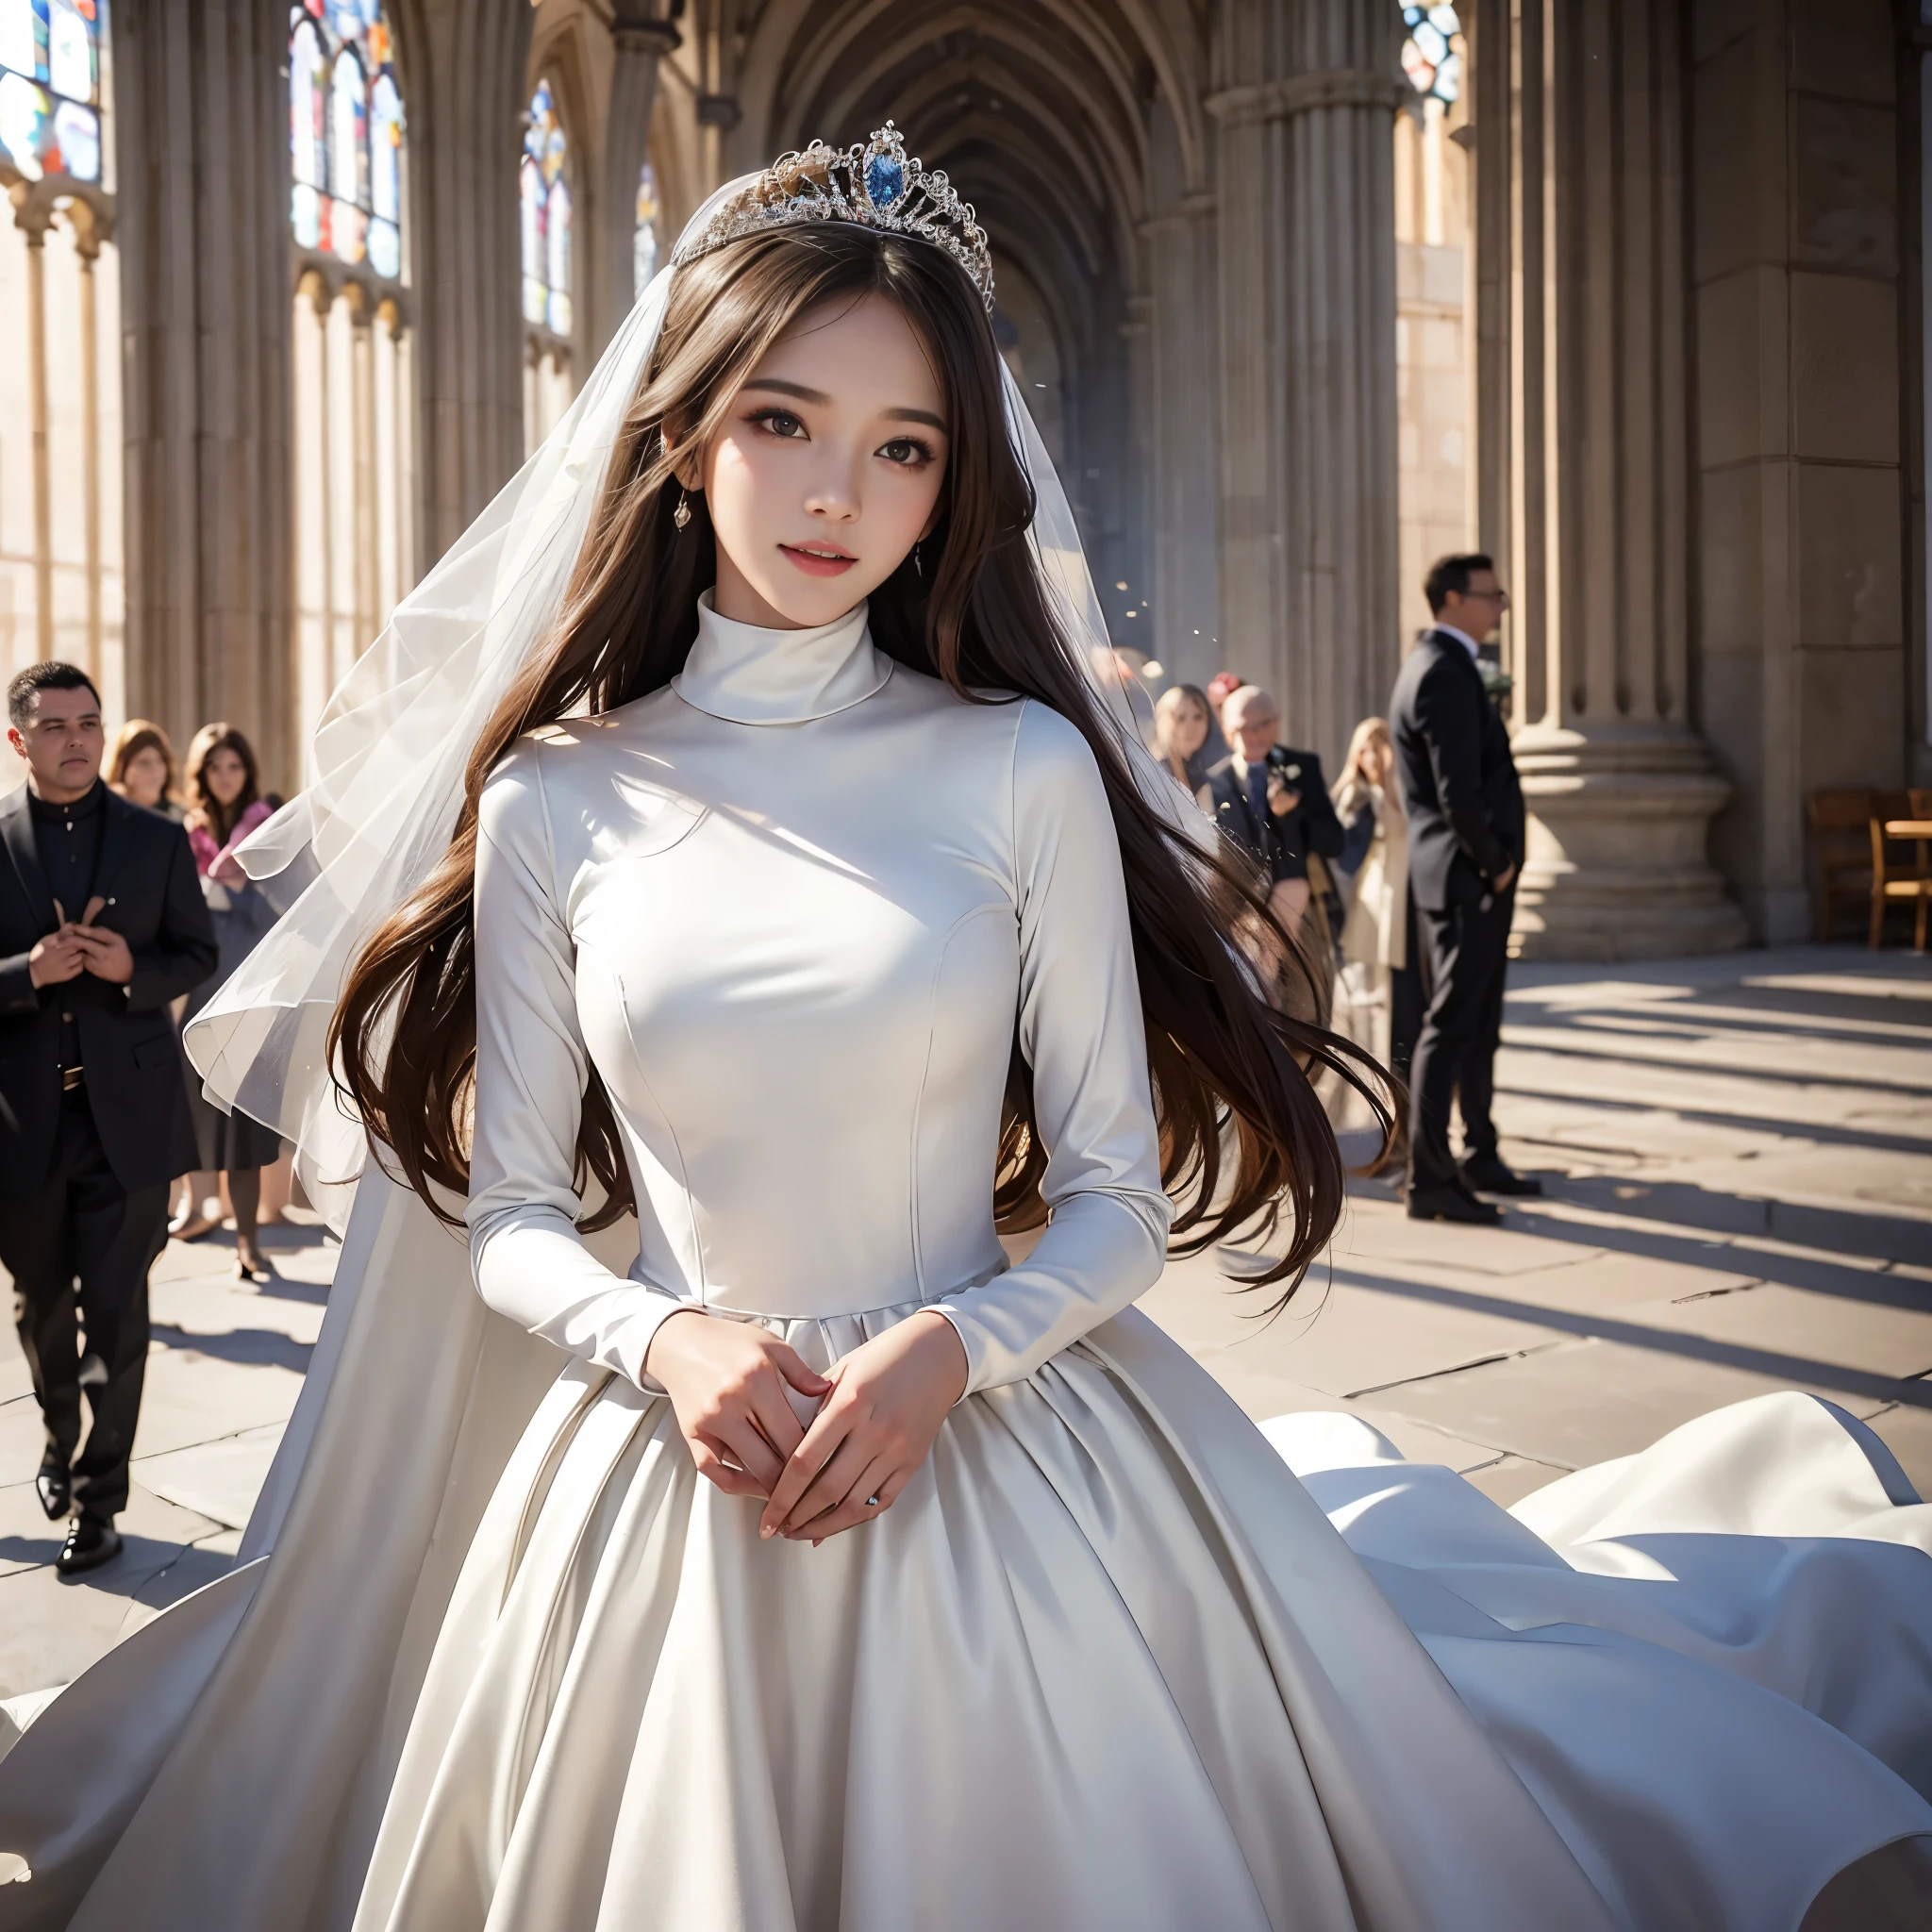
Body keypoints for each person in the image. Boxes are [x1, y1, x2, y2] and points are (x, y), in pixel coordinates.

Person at [4, 133, 1930, 1932]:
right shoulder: (553, 801)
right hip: (660, 1487)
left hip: (1004, 1445)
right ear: (680, 437)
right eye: (784, 422)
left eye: (904, 447)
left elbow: (1110, 1201)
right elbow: (511, 1214)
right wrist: (666, 1335)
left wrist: (951, 1345)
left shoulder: (1017, 765)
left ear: (956, 480)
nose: (840, 494)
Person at [0, 663, 216, 1577]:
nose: (77, 739)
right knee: (42, 1308)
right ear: (19, 740)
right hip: (21, 1126)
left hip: (127, 1122)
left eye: (88, 722)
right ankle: (58, 1433)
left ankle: (101, 1500)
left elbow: (196, 953)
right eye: (54, 726)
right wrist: (27, 975)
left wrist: (133, 966)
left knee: (119, 1315)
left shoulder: (158, 839)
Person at [1389, 553, 1541, 1223]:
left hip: (1460, 876)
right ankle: (1430, 1178)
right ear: (1453, 599)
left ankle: (1478, 1152)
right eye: (1492, 594)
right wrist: (1496, 862)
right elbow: (1457, 792)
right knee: (1450, 1028)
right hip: (1465, 877)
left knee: (1477, 1025)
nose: (1501, 606)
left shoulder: (1445, 668)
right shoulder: (1442, 673)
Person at [172, 724, 282, 1276]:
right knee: (196, 1117)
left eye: (234, 766)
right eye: (215, 767)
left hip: (251, 994)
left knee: (244, 1127)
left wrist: (238, 894)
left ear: (247, 770)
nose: (225, 776)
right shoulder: (184, 835)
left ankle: (248, 1242)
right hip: (201, 995)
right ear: (201, 774)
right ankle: (199, 1210)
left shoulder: (269, 826)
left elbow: (289, 911)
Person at [1199, 683, 1345, 941]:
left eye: (1263, 725)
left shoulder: (1302, 767)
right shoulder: (1214, 782)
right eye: (1245, 728)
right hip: (1241, 920)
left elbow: (1334, 843)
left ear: (1277, 723)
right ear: (1227, 730)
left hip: (1302, 917)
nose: (1255, 735)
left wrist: (1293, 812)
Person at [1331, 717, 1420, 1083]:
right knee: (1373, 987)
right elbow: (1343, 843)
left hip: (1407, 885)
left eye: (1377, 747)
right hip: (1377, 888)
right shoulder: (1360, 793)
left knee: (1406, 986)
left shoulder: (1403, 787)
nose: (1370, 757)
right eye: (1363, 749)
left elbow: (1408, 821)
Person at [105, 721, 186, 823]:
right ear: (124, 769)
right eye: (144, 763)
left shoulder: (182, 818)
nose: (155, 770)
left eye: (160, 761)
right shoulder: (106, 814)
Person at [1150, 681, 1214, 795]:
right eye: (1181, 718)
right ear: (1164, 722)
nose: (1191, 727)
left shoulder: (1198, 771)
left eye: (1198, 717)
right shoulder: (1159, 774)